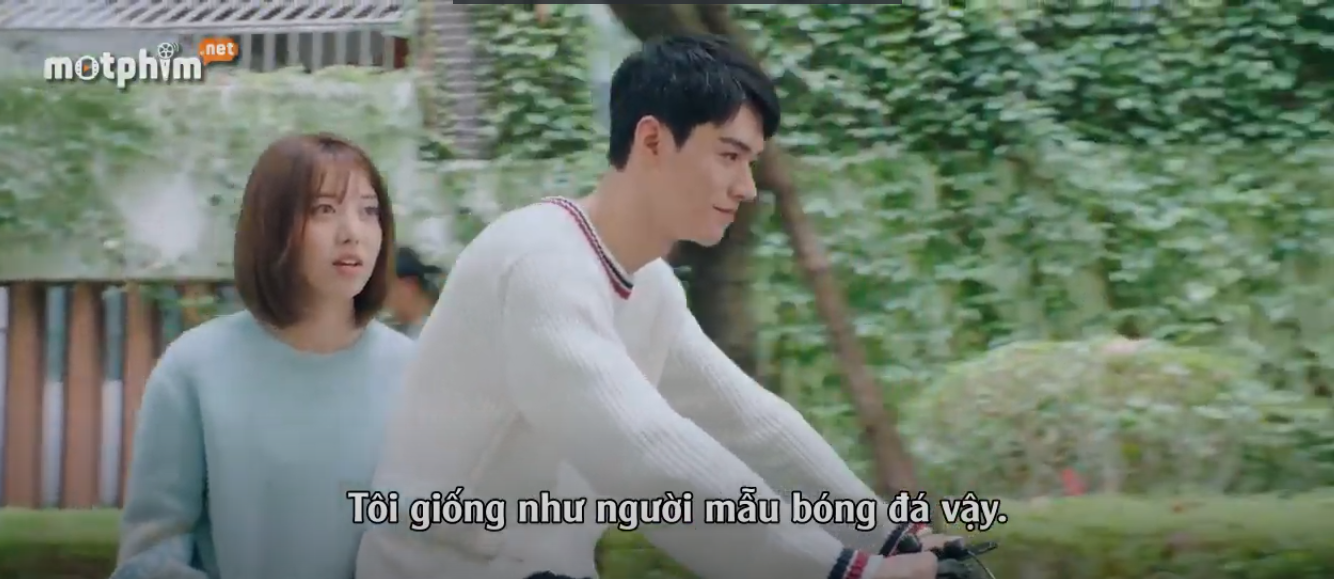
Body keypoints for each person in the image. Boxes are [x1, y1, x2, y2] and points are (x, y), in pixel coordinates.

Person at [356, 35, 957, 579]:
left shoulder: (649, 285)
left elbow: (749, 422)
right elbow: (646, 453)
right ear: (651, 140)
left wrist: (891, 538)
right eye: (729, 155)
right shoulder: (538, 260)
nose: (747, 187)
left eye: (750, 162)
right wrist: (845, 570)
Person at [113, 133, 415, 579]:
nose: (352, 232)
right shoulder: (193, 370)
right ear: (272, 226)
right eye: (324, 209)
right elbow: (150, 559)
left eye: (369, 211)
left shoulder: (415, 373)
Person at [386, 246, 444, 339]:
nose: (385, 299)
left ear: (409, 285)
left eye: (388, 288)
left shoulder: (441, 330)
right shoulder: (395, 330)